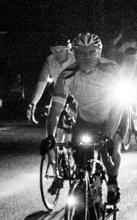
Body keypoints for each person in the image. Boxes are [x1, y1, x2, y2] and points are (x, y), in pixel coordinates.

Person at [47, 34, 128, 206]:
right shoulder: (66, 76)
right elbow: (55, 109)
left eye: (92, 52)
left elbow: (117, 107)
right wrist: (50, 136)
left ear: (99, 52)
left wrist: (107, 136)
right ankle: (83, 197)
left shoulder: (112, 70)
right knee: (80, 159)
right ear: (75, 54)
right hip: (86, 120)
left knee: (110, 151)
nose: (87, 56)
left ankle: (113, 182)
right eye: (81, 53)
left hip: (114, 116)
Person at [26, 38, 75, 125]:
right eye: (53, 50)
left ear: (68, 48)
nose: (57, 53)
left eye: (60, 50)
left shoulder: (77, 59)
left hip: (78, 93)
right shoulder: (49, 60)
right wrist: (33, 104)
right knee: (53, 116)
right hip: (60, 92)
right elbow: (42, 82)